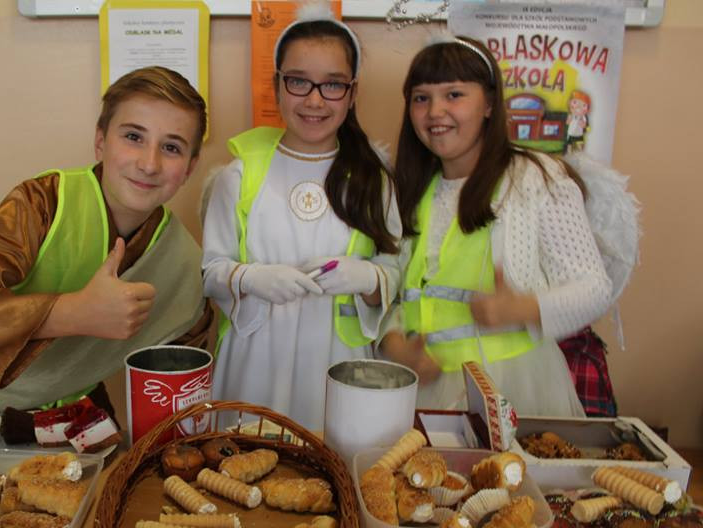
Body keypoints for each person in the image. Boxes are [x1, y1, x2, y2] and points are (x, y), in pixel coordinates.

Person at [0, 65, 211, 434]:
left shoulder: (183, 260)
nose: (149, 164)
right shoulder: (43, 204)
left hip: (83, 413)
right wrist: (73, 312)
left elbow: (184, 381)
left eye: (171, 148)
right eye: (134, 137)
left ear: (189, 168)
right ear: (101, 141)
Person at [379, 36, 612, 423]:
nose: (435, 111)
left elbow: (594, 289)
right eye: (421, 98)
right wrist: (395, 345)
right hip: (426, 391)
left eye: (454, 94)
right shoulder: (410, 189)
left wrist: (522, 308)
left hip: (514, 387)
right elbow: (398, 294)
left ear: (489, 103)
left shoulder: (535, 178)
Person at [201, 7, 402, 434]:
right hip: (255, 360)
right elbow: (210, 272)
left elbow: (395, 271)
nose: (314, 100)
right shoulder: (238, 176)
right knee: (246, 459)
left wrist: (368, 277)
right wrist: (249, 278)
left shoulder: (372, 180)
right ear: (277, 84)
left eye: (332, 84)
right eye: (298, 81)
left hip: (336, 363)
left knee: (332, 460)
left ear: (352, 92)